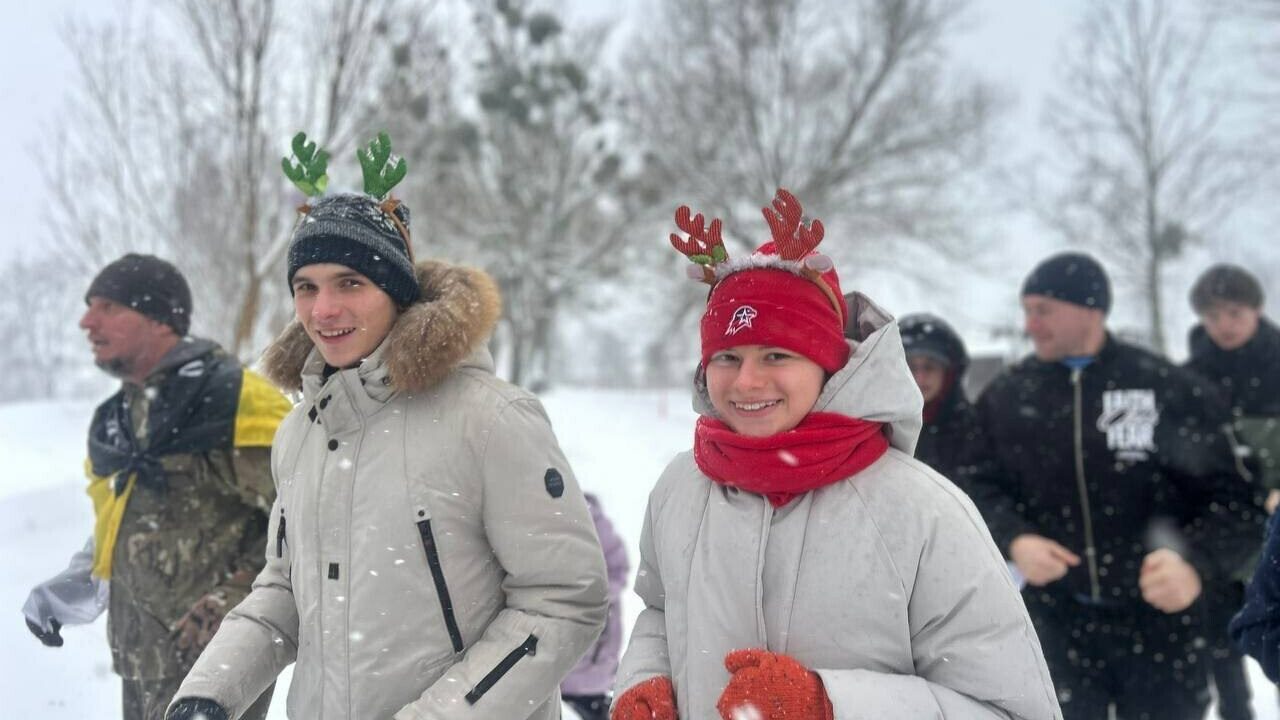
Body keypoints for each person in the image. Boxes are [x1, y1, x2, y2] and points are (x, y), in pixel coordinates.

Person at [166, 140, 608, 720]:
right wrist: (207, 693)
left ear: (396, 293)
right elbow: (282, 594)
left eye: (350, 283)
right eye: (306, 286)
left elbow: (563, 600)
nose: (323, 309)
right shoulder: (299, 433)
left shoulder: (491, 418)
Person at [610, 190, 1061, 720]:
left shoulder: (926, 512)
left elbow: (1010, 710)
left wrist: (831, 707)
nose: (746, 381)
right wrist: (647, 682)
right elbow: (662, 613)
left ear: (828, 365)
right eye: (726, 357)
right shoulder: (682, 487)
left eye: (776, 355)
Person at [965, 251, 1266, 720]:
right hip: (1054, 623)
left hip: (1161, 630)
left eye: (1043, 310)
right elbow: (973, 486)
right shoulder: (1007, 396)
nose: (1030, 324)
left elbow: (1238, 504)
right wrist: (1015, 538)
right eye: (1026, 311)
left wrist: (1193, 562)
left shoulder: (1168, 386)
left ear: (1090, 307)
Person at [22, 253, 290, 720]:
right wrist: (73, 588)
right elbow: (119, 524)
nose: (87, 321)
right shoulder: (116, 421)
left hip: (222, 668)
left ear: (160, 318)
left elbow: (302, 523)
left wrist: (228, 603)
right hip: (141, 658)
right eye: (90, 307)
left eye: (108, 307)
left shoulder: (233, 400)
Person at [1185, 263, 1280, 720]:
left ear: (1256, 311)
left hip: (1276, 525)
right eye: (1213, 315)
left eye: (1234, 312)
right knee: (1220, 643)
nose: (1224, 324)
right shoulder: (1190, 379)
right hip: (1217, 526)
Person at [562, 493, 630, 720]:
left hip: (592, 675)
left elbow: (617, 569)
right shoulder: (538, 516)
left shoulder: (588, 517)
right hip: (555, 679)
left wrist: (586, 597)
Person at [898, 313, 981, 493]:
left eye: (930, 367)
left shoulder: (976, 431)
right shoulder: (881, 429)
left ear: (948, 373)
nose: (920, 377)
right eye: (911, 367)